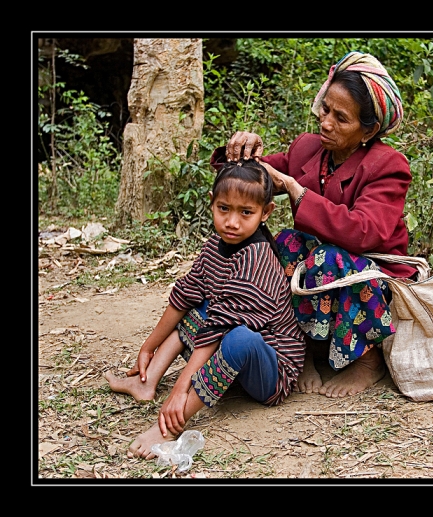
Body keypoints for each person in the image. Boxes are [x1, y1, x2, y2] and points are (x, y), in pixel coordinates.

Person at [212, 51, 416, 398]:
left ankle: (367, 361)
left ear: (368, 130)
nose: (325, 123)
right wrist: (240, 154)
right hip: (320, 267)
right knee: (287, 243)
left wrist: (295, 189)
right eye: (325, 109)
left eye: (341, 118)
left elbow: (365, 232)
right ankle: (303, 347)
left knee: (329, 259)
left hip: (372, 272)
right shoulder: (308, 148)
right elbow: (257, 178)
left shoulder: (388, 164)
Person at [104, 159, 305, 460]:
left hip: (270, 370)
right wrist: (149, 346)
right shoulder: (216, 244)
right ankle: (146, 382)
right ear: (212, 203)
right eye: (224, 208)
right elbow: (184, 295)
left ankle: (172, 423)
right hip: (227, 345)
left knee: (239, 337)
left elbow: (221, 328)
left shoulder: (257, 258)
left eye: (246, 212)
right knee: (200, 305)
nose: (232, 222)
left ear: (266, 213)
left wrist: (181, 389)